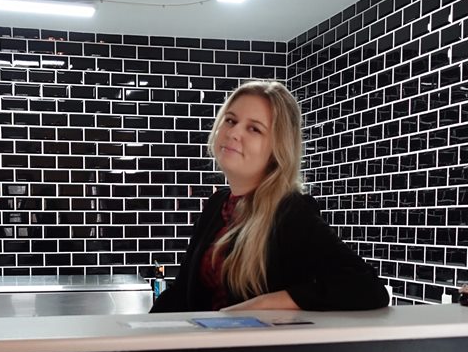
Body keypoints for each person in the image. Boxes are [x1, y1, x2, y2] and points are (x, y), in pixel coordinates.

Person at [150, 79, 389, 313]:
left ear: (277, 147)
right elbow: (181, 293)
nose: (234, 132)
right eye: (230, 120)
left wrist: (265, 303)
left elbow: (367, 287)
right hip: (208, 349)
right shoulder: (218, 205)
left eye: (254, 128)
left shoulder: (291, 211)